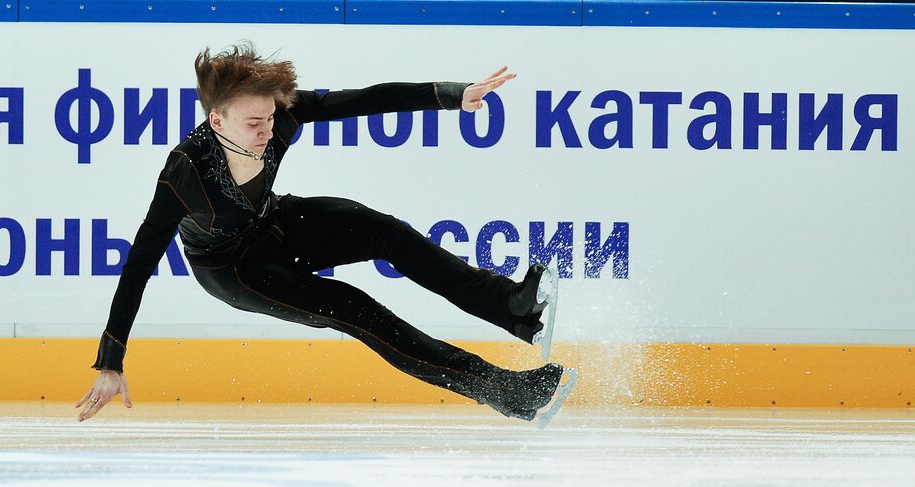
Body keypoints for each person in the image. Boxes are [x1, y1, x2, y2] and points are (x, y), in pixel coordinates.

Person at [77, 42, 574, 423]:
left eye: (270, 118)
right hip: (233, 270)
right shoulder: (185, 175)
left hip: (272, 222)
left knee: (385, 232)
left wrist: (447, 96)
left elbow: (359, 100)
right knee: (362, 312)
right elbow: (139, 264)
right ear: (217, 120)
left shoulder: (278, 117)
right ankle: (508, 393)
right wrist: (111, 359)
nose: (268, 130)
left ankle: (513, 307)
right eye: (254, 123)